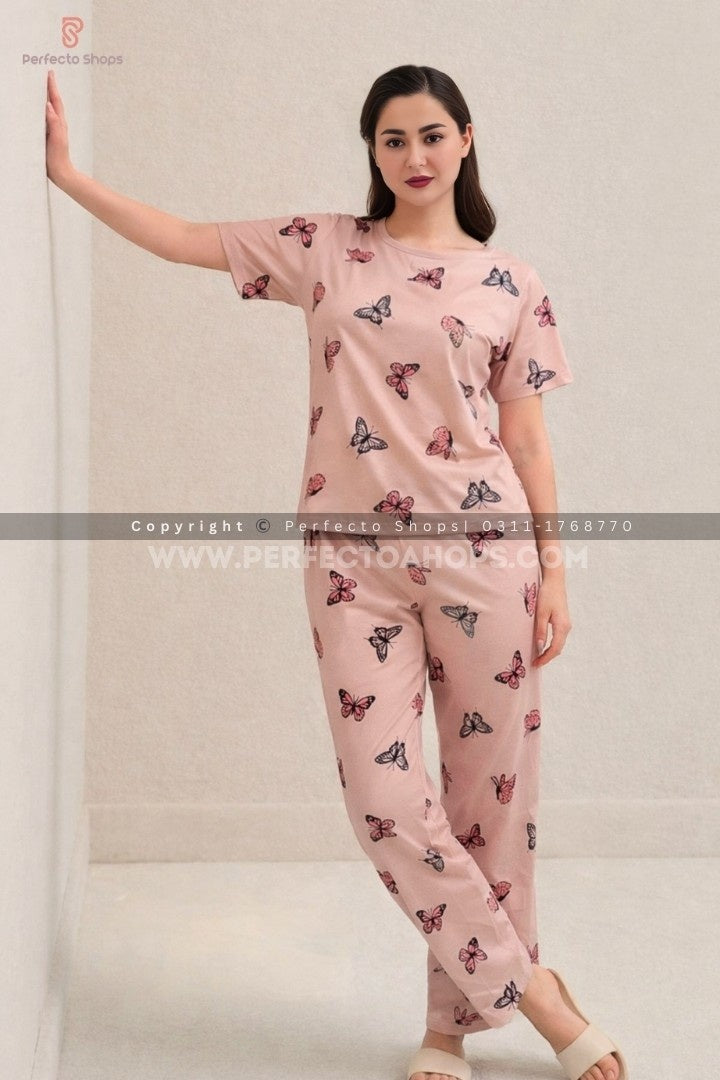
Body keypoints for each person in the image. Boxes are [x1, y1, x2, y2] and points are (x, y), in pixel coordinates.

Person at [45, 62, 628, 1080]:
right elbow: (184, 238)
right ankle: (537, 993)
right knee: (386, 802)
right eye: (393, 139)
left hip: (485, 561)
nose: (414, 156)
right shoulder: (325, 249)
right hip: (354, 571)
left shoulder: (512, 283)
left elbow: (529, 440)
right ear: (373, 151)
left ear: (466, 140)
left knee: (487, 802)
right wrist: (69, 176)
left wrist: (557, 573)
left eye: (432, 135)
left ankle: (448, 1030)